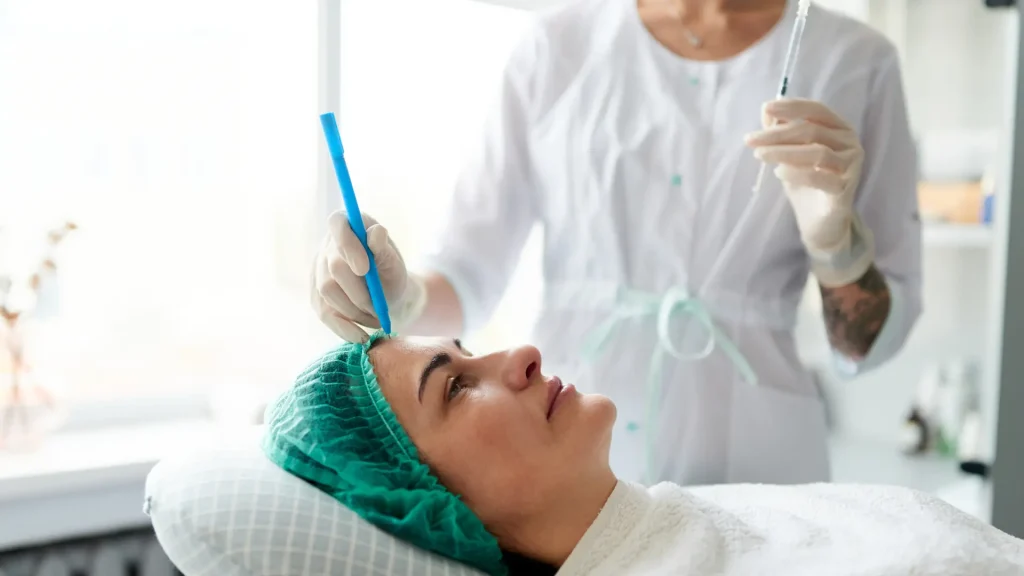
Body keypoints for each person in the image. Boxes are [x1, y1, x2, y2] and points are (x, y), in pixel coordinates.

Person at [310, 0, 922, 485]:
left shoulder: (855, 62)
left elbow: (869, 345)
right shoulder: (556, 48)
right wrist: (403, 297)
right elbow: (469, 275)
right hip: (571, 464)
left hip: (763, 471)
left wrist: (836, 243)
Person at [263, 333, 1024, 576]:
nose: (522, 352)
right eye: (456, 386)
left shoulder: (704, 523)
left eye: (466, 349)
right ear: (429, 509)